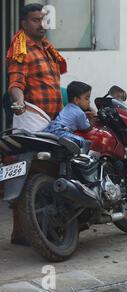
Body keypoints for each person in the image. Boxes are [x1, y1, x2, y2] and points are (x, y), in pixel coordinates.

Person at [6, 3, 67, 246]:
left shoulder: (46, 49)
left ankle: (38, 229)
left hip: (52, 121)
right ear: (23, 23)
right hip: (31, 120)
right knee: (30, 173)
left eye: (43, 19)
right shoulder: (21, 49)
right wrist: (19, 102)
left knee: (47, 172)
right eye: (35, 20)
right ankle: (23, 232)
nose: (41, 24)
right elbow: (15, 83)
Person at [43, 81, 93, 147]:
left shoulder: (67, 106)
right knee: (82, 141)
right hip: (61, 131)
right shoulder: (80, 113)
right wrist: (92, 120)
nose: (89, 101)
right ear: (76, 100)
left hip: (50, 127)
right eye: (87, 98)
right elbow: (86, 129)